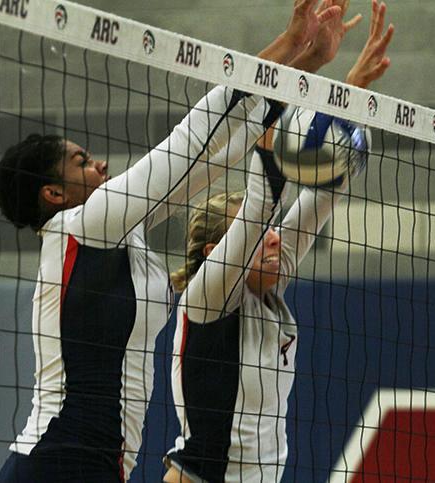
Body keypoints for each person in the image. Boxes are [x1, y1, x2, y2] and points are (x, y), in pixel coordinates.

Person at [0, 1, 353, 481]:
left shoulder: (116, 234)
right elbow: (193, 138)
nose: (99, 165)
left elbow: (217, 157)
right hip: (57, 462)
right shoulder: (82, 226)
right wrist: (289, 42)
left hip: (95, 467)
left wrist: (308, 64)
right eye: (81, 162)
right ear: (53, 193)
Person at [163, 1, 394, 481]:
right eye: (253, 237)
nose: (273, 239)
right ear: (213, 255)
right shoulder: (208, 300)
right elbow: (259, 207)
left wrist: (349, 95)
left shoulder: (267, 286)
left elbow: (326, 187)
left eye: (272, 236)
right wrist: (292, 81)